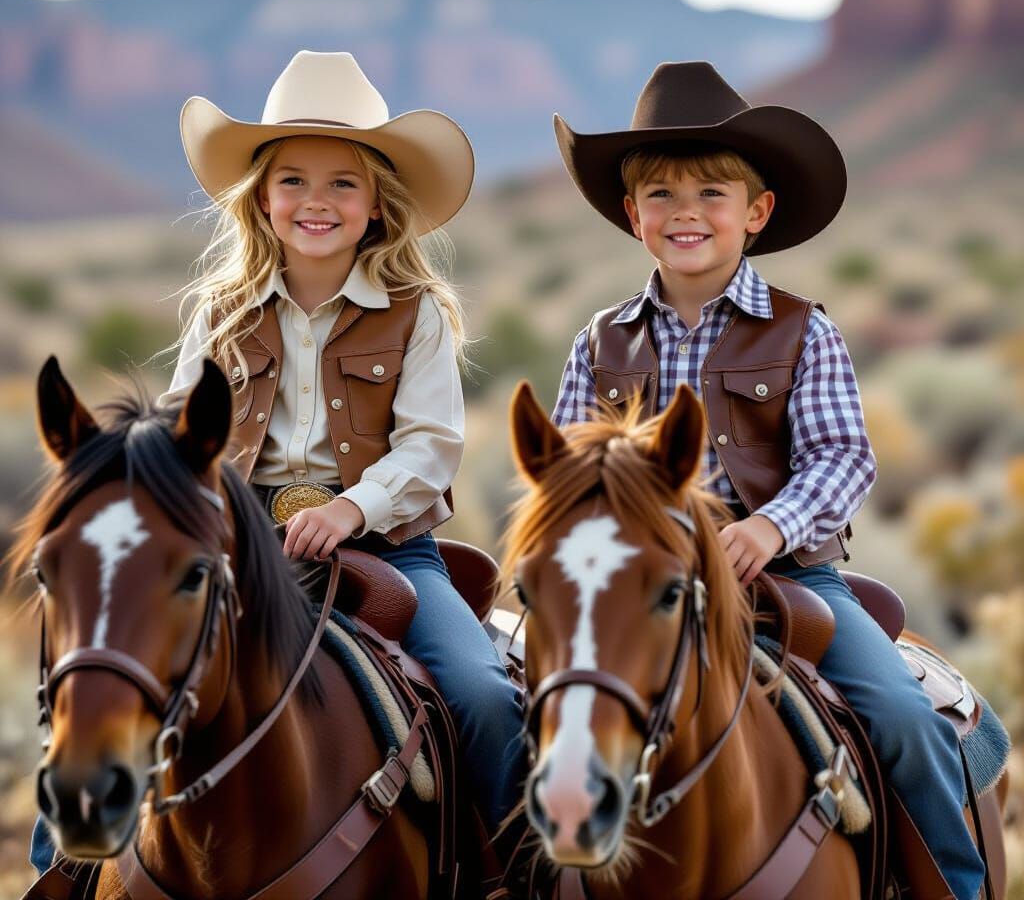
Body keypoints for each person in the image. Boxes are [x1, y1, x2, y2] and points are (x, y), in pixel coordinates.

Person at [24, 52, 524, 880]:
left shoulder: (418, 313)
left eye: (342, 184)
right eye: (293, 180)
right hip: (240, 549)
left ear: (376, 207)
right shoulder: (222, 313)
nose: (316, 202)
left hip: (388, 549)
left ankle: (514, 874)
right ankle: (63, 871)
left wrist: (348, 510)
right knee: (110, 670)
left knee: (480, 694)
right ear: (261, 197)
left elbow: (431, 448)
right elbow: (177, 442)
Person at [550, 61, 986, 900]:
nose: (687, 213)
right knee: (529, 705)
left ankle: (953, 888)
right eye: (662, 195)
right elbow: (573, 478)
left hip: (786, 580)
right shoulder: (599, 342)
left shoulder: (800, 331)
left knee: (901, 720)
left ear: (756, 213)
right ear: (632, 216)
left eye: (712, 193)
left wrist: (767, 528)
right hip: (639, 584)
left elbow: (843, 456)